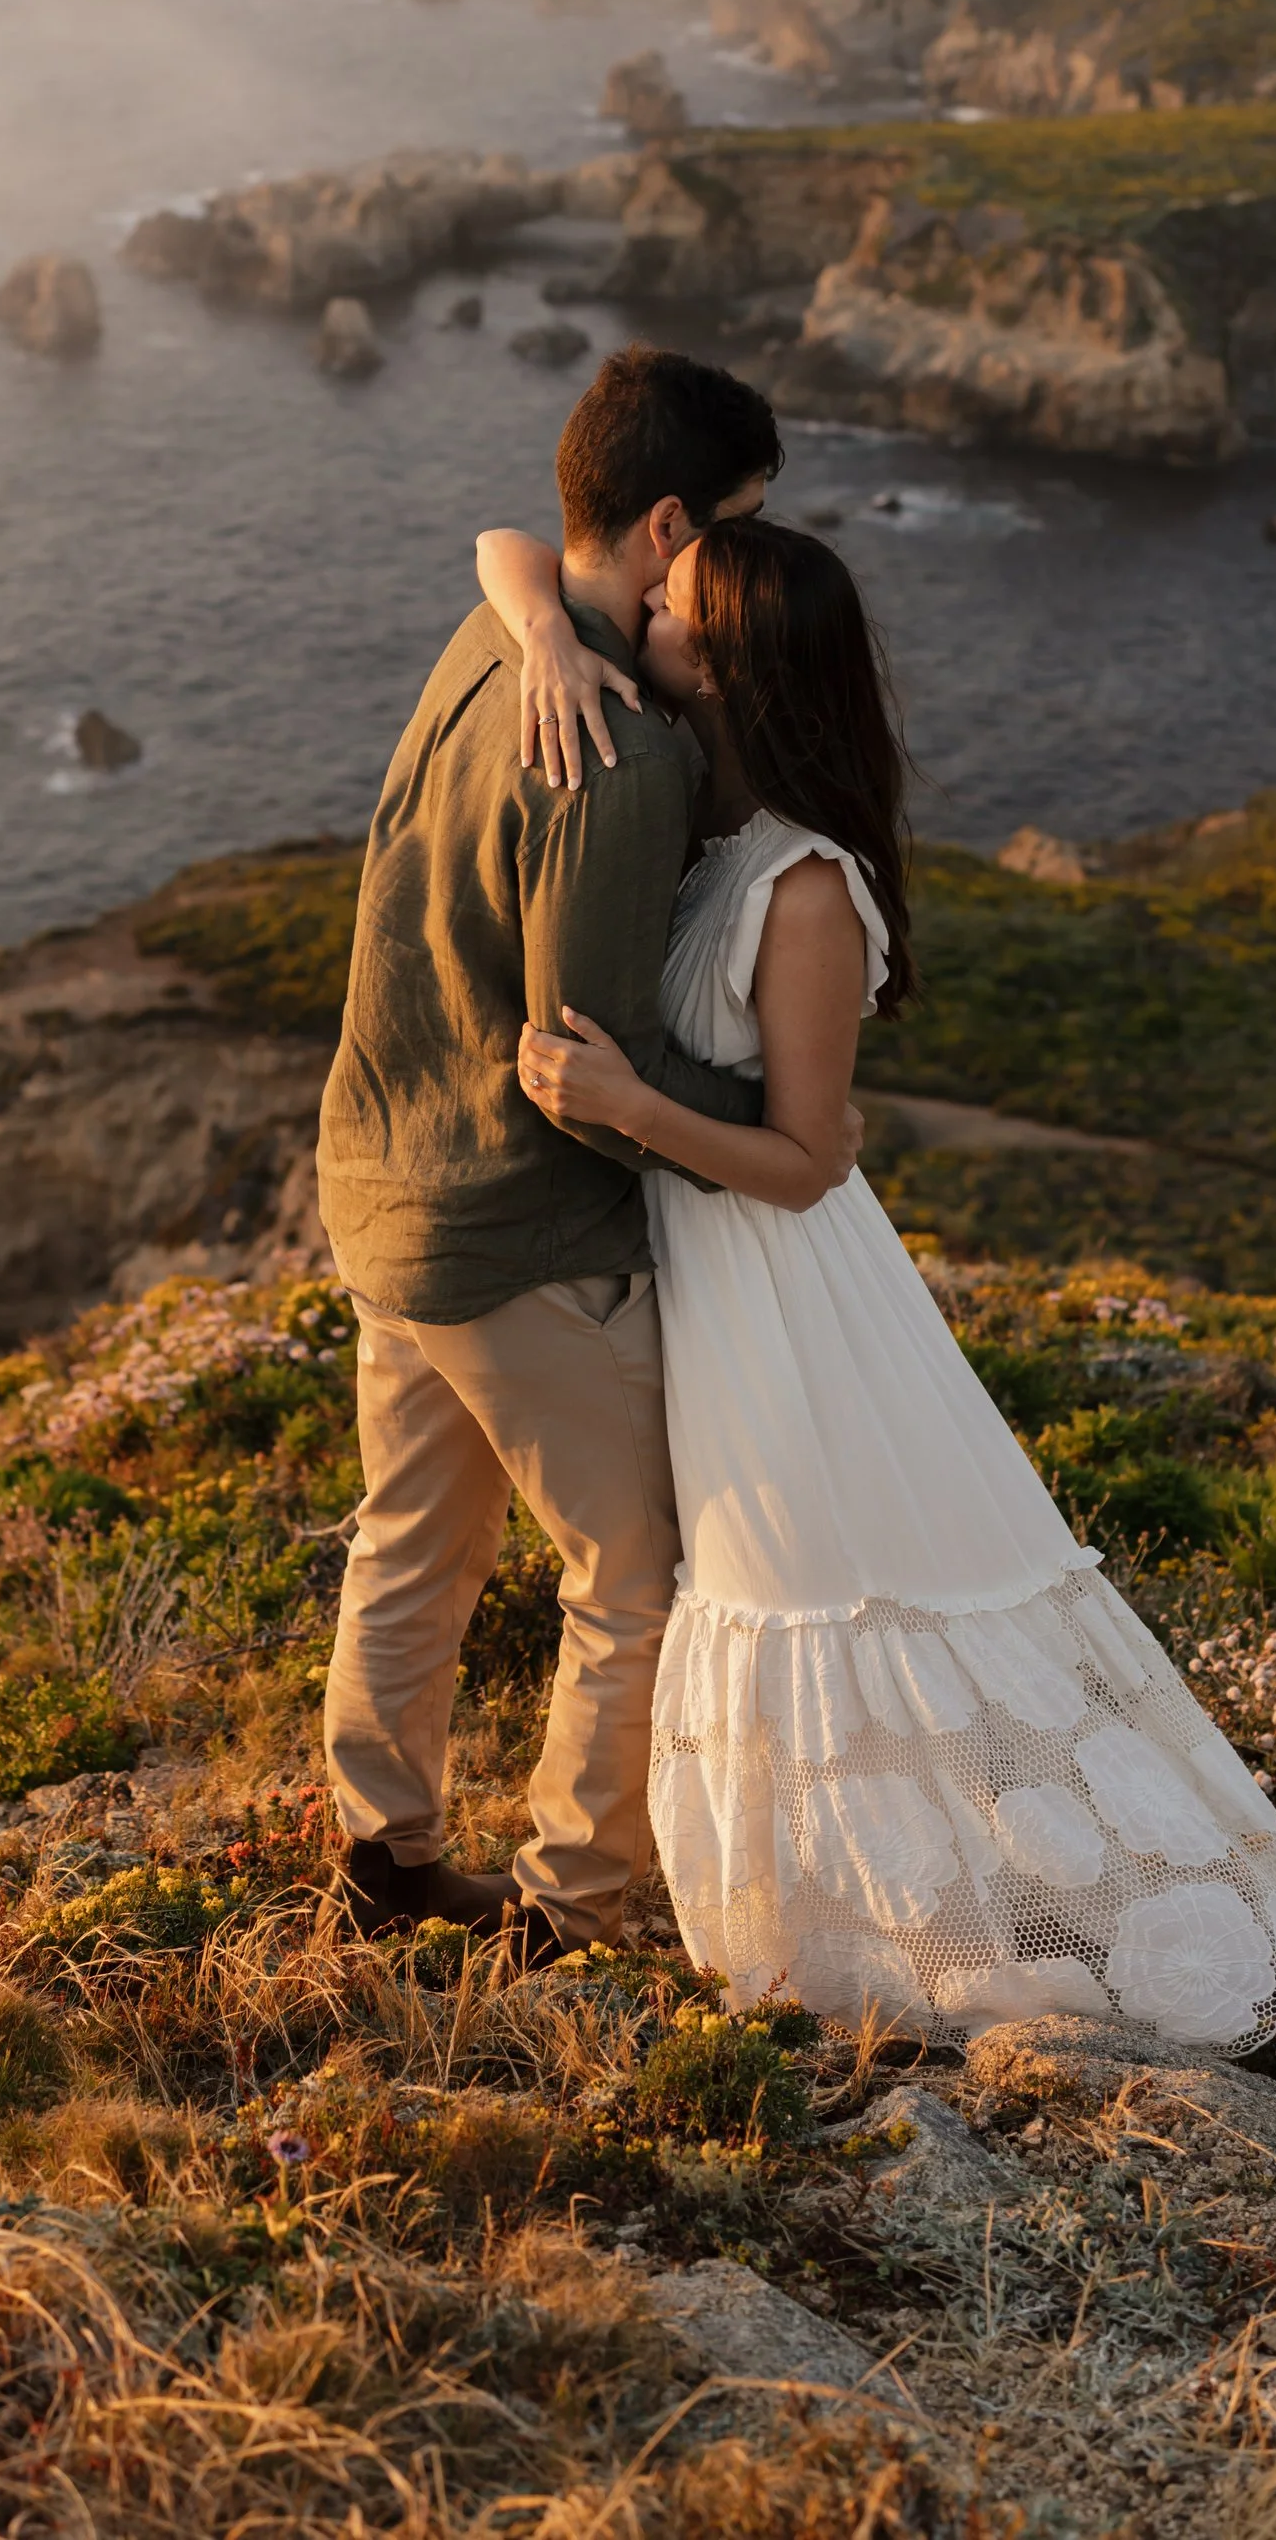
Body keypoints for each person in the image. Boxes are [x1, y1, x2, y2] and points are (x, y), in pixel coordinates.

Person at [487, 511, 1276, 2049]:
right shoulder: (714, 831)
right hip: (721, 1282)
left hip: (787, 1283)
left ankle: (983, 1938)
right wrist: (535, 622)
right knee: (783, 1580)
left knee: (824, 1583)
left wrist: (629, 1110)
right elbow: (511, 544)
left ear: (728, 668)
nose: (639, 613)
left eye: (671, 612)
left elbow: (807, 1155)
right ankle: (855, 1927)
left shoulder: (803, 889)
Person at [319, 345, 861, 1965]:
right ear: (674, 523)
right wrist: (779, 1109)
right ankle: (571, 1903)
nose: (752, 560)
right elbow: (583, 1062)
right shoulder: (620, 757)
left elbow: (507, 553)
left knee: (412, 1539)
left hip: (379, 1184)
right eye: (741, 528)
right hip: (521, 1229)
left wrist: (546, 606)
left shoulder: (492, 642)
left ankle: (377, 1853)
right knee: (631, 1573)